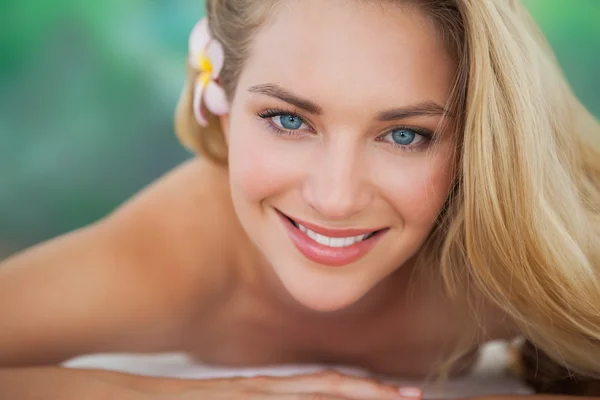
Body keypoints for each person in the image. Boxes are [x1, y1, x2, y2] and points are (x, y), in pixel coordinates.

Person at [1, 0, 599, 398]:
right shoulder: (176, 250)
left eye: (404, 135)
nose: (335, 199)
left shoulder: (522, 243)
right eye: (288, 120)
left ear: (478, 143)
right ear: (221, 100)